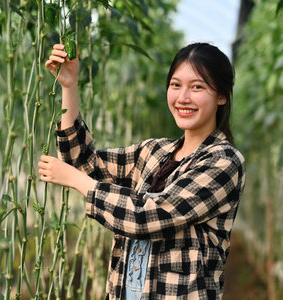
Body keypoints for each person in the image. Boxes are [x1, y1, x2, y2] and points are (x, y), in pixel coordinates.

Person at [38, 42, 246, 299]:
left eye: (197, 87)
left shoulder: (223, 161)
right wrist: (69, 86)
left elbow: (147, 217)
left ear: (222, 96)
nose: (183, 98)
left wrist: (80, 182)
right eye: (175, 85)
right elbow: (83, 162)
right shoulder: (154, 152)